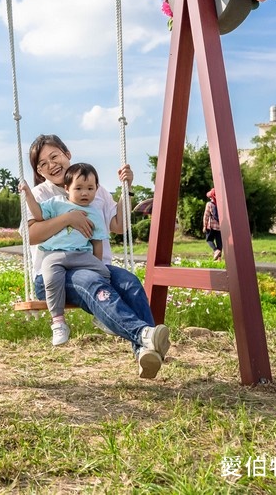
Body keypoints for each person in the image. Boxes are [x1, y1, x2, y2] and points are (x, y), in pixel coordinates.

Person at [25, 134, 171, 379]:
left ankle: (145, 354)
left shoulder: (95, 188)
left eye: (54, 156)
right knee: (93, 284)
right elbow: (31, 235)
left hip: (93, 263)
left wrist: (127, 189)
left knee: (130, 283)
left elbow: (117, 226)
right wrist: (68, 218)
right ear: (39, 171)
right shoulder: (40, 194)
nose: (51, 165)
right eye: (42, 163)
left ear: (67, 153)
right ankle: (145, 335)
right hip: (54, 273)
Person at [20, 162, 111, 346]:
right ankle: (58, 322)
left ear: (96, 189)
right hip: (54, 254)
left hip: (81, 256)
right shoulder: (56, 204)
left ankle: (100, 315)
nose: (84, 193)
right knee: (51, 279)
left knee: (104, 274)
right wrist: (28, 195)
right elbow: (38, 214)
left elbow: (97, 242)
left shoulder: (94, 214)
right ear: (66, 188)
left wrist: (97, 264)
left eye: (90, 188)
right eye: (78, 188)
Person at [203, 189, 223, 260]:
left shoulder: (209, 204)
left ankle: (215, 250)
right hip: (220, 227)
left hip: (211, 226)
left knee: (209, 240)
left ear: (211, 197)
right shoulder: (221, 204)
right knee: (219, 242)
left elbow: (206, 216)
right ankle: (219, 259)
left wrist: (204, 226)